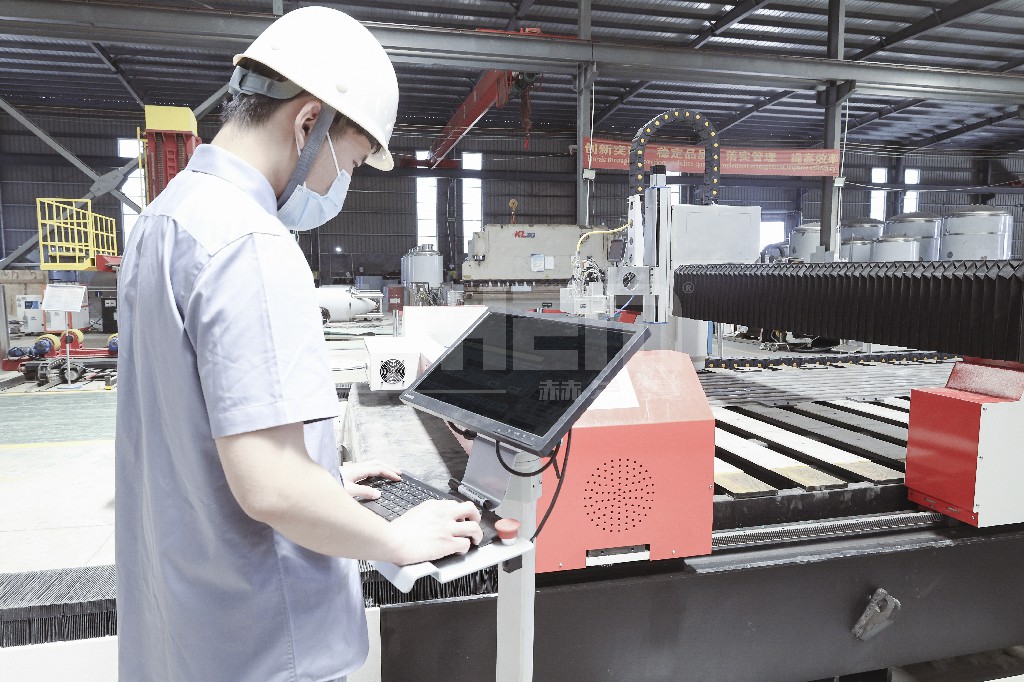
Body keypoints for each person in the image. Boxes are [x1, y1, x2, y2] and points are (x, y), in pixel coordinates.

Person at [114, 8, 482, 681]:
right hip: (263, 642)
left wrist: (325, 479)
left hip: (189, 628)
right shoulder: (252, 244)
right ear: (308, 123)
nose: (340, 185)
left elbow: (197, 430)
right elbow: (273, 488)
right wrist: (394, 538)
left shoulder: (165, 218)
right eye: (350, 163)